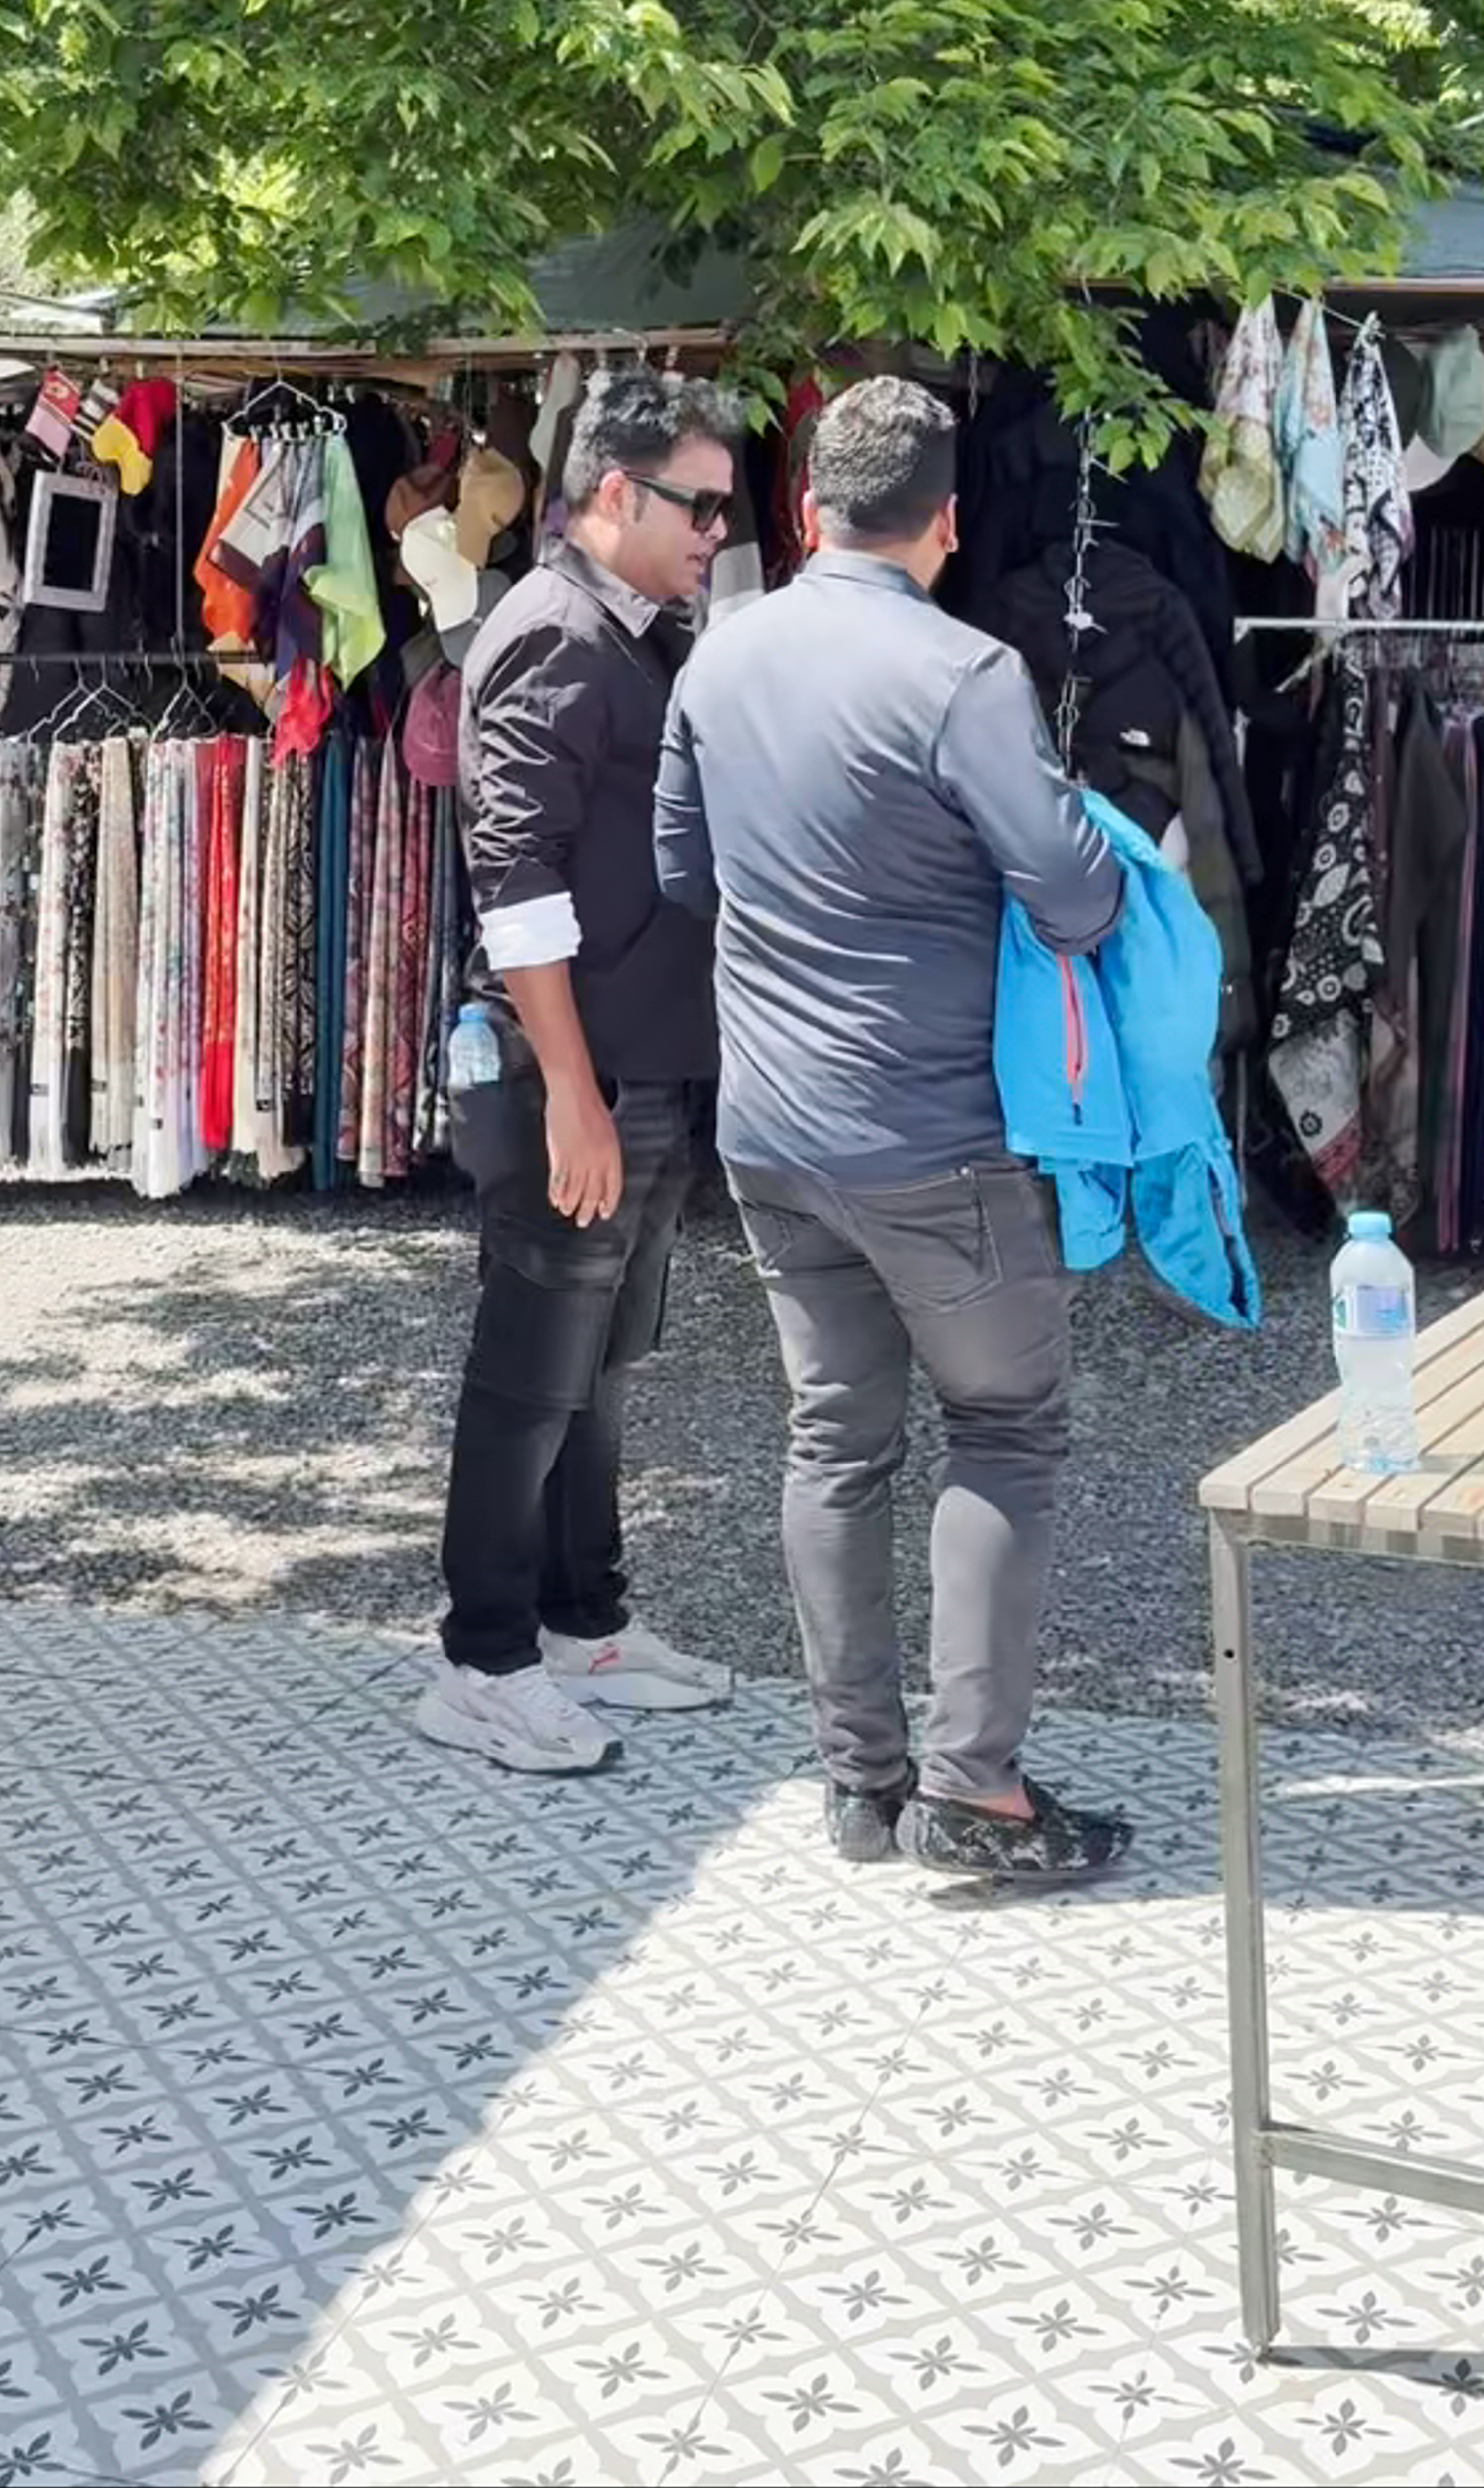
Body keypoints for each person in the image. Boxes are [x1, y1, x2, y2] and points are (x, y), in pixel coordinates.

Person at [654, 376, 1132, 1879]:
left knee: (836, 1440)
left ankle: (861, 1788)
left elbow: (683, 874)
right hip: (935, 1133)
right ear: (949, 523)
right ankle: (975, 1789)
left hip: (772, 1129)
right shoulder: (966, 674)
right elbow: (1074, 895)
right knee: (1006, 1426)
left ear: (806, 512)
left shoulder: (720, 655)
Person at [417, 367, 742, 1776]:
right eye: (700, 506)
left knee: (598, 1366)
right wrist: (573, 1093)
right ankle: (483, 1659)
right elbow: (516, 877)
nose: (718, 531)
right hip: (572, 1070)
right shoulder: (555, 633)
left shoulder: (636, 632)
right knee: (533, 1368)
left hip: (638, 1063)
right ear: (616, 491)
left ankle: (581, 1624)